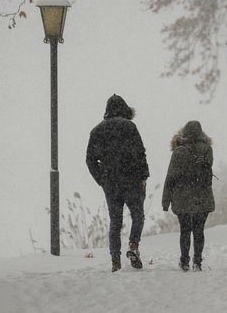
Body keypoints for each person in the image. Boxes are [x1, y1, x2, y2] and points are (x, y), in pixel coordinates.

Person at [86, 94, 149, 272]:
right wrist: (143, 176)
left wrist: (102, 179)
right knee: (138, 216)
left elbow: (90, 160)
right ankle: (133, 245)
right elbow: (140, 153)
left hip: (111, 183)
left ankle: (115, 259)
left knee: (115, 222)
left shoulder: (97, 131)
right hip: (132, 180)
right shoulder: (129, 126)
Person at [162, 121, 215, 272]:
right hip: (202, 195)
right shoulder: (207, 149)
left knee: (185, 230)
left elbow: (170, 176)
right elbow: (208, 168)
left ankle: (184, 261)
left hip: (182, 196)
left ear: (183, 133)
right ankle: (197, 262)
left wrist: (166, 200)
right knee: (199, 230)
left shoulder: (178, 151)